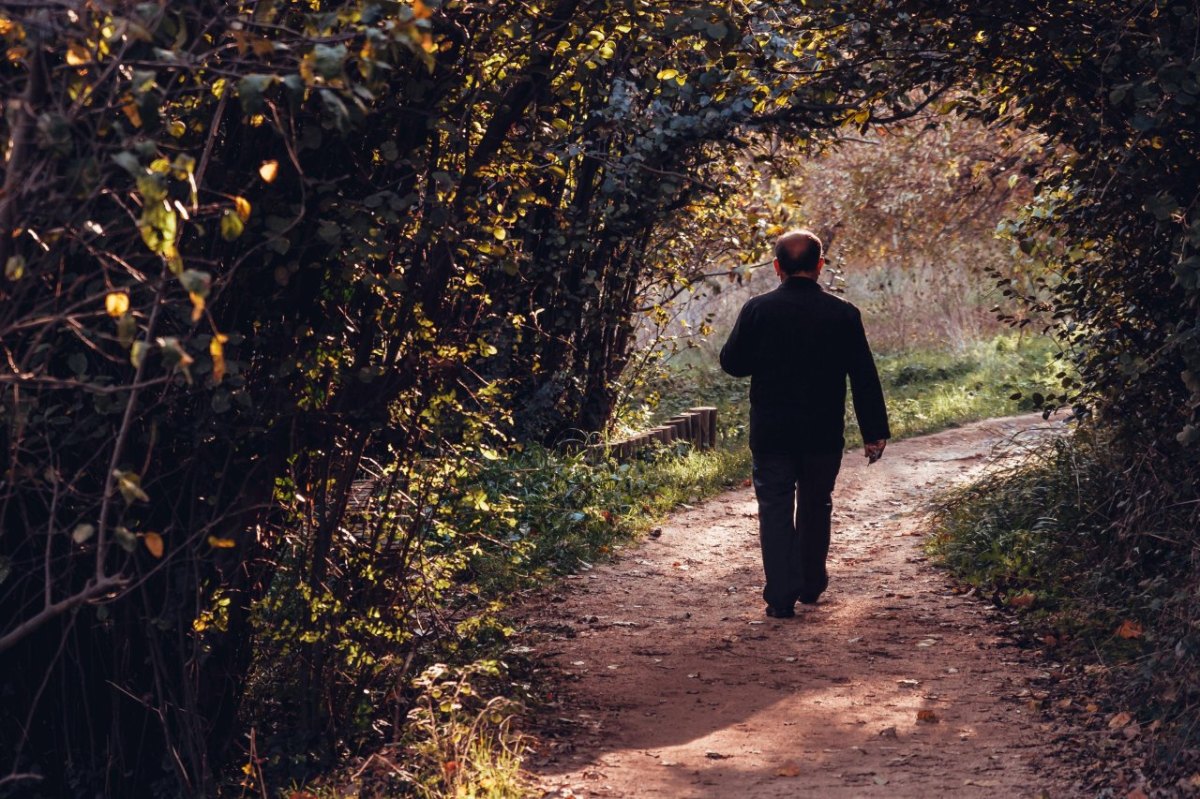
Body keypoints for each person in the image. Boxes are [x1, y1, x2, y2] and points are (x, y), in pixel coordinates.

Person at [720, 230, 890, 618]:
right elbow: (863, 375)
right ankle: (811, 584)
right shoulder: (843, 313)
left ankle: (780, 596)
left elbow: (733, 363)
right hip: (822, 432)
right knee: (816, 503)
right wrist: (874, 431)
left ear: (777, 266)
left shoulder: (758, 310)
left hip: (772, 432)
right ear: (819, 266)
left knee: (775, 508)